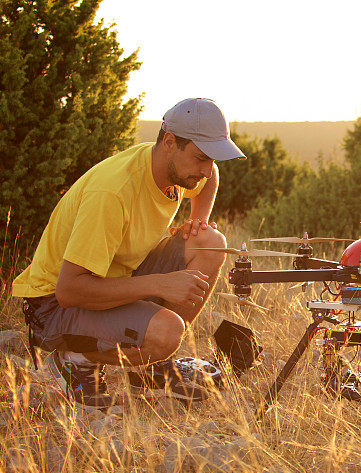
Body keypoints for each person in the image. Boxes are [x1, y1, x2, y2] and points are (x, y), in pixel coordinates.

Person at [12, 98, 246, 411]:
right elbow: (69, 291)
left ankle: (148, 362)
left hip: (116, 276)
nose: (205, 170)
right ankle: (76, 359)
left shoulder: (176, 167)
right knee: (168, 332)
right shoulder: (112, 193)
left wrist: (197, 220)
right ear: (169, 142)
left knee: (210, 242)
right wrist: (160, 285)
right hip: (54, 306)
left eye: (211, 159)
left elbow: (211, 176)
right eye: (201, 157)